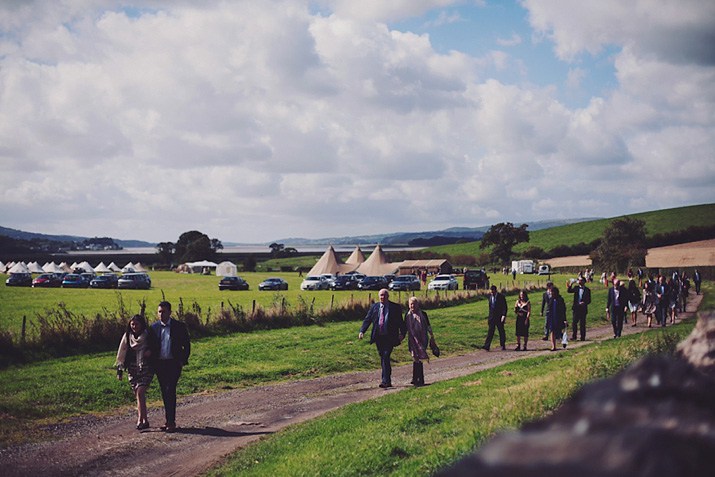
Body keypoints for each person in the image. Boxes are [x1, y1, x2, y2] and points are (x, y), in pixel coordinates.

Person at [150, 301, 191, 433]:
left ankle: (171, 421)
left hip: (174, 363)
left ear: (170, 312)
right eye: (159, 312)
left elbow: (187, 345)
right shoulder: (153, 328)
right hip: (160, 364)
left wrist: (182, 361)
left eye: (164, 312)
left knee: (170, 389)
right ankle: (167, 420)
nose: (161, 314)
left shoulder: (179, 326)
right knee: (164, 391)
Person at [115, 314, 155, 430]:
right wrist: (119, 371)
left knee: (140, 392)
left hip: (146, 369)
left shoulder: (148, 336)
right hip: (133, 371)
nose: (134, 326)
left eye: (137, 324)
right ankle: (145, 420)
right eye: (132, 324)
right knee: (138, 396)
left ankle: (140, 420)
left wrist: (150, 351)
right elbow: (121, 354)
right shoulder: (127, 337)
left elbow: (155, 347)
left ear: (142, 324)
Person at [359, 289, 405, 388]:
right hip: (379, 337)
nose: (382, 297)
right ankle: (387, 380)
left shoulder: (395, 307)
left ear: (388, 296)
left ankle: (385, 381)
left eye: (384, 295)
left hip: (390, 336)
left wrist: (403, 333)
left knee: (385, 356)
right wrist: (362, 331)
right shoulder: (374, 307)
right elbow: (367, 320)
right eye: (381, 296)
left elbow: (400, 322)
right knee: (383, 357)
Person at [404, 297, 435, 386]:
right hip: (412, 340)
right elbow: (404, 327)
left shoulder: (423, 314)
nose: (413, 306)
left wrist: (432, 336)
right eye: (411, 304)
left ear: (418, 305)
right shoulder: (407, 315)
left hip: (422, 339)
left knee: (419, 358)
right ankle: (415, 378)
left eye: (414, 304)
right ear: (409, 305)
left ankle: (420, 379)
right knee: (415, 357)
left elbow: (428, 326)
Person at [481, 285, 507, 351]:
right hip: (492, 317)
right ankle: (487, 345)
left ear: (495, 291)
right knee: (490, 332)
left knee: (501, 331)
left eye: (493, 292)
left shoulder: (501, 297)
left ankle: (502, 344)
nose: (491, 293)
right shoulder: (490, 297)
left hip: (499, 317)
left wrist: (503, 315)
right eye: (491, 292)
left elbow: (504, 307)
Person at [567, 276, 591, 341]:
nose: (579, 282)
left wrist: (584, 302)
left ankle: (583, 337)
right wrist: (570, 284)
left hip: (583, 309)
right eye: (579, 280)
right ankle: (574, 336)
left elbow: (589, 300)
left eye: (581, 280)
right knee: (574, 323)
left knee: (582, 324)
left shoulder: (587, 290)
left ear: (584, 282)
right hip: (576, 308)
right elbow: (569, 291)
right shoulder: (576, 288)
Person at [546, 286, 567, 351]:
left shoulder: (560, 299)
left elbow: (563, 309)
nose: (550, 293)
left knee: (558, 331)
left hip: (558, 317)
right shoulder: (550, 299)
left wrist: (564, 319)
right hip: (551, 317)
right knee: (552, 331)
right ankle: (553, 346)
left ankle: (563, 339)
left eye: (551, 292)